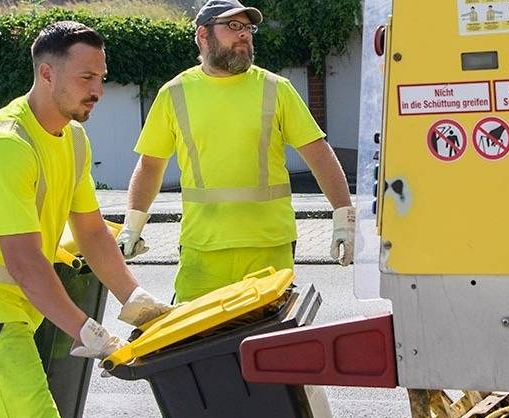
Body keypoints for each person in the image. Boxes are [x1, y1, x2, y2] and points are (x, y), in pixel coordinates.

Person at [0, 21, 172, 418]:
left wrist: (135, 299)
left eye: (101, 78)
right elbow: (24, 261)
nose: (98, 90)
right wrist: (86, 329)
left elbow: (91, 231)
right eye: (86, 78)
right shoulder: (6, 146)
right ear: (47, 74)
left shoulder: (72, 139)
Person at [118, 0, 355, 304]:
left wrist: (343, 217)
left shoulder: (276, 88)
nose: (244, 34)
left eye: (248, 27)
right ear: (203, 35)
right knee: (194, 347)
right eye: (232, 26)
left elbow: (319, 154)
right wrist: (132, 227)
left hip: (269, 247)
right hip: (202, 249)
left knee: (265, 348)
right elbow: (150, 165)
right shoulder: (174, 93)